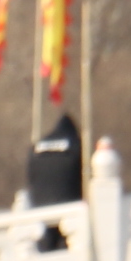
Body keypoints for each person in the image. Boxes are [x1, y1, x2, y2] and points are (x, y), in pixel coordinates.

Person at [26, 105, 85, 248]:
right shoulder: (75, 144)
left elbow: (30, 175)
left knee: (46, 245)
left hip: (40, 205)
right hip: (68, 204)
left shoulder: (38, 145)